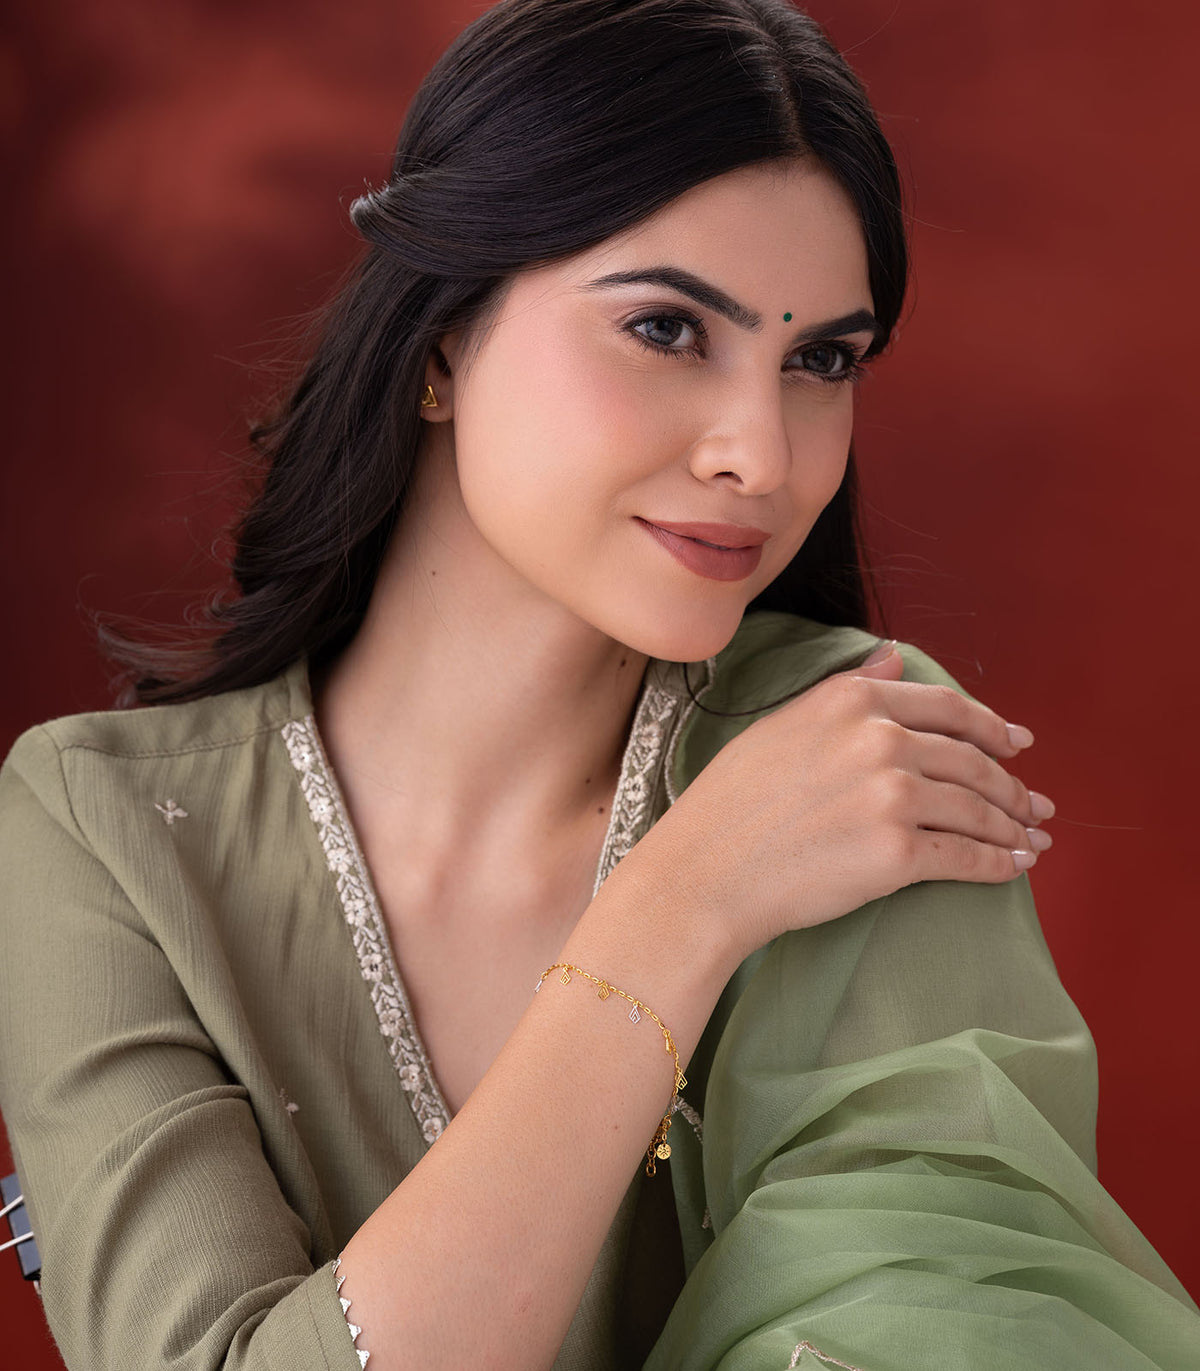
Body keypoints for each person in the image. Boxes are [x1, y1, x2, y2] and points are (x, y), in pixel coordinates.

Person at [1, 0, 1197, 1367]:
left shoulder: (853, 757)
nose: (762, 453)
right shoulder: (101, 832)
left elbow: (936, 1330)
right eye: (670, 330)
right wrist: (682, 908)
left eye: (820, 361)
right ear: (444, 340)